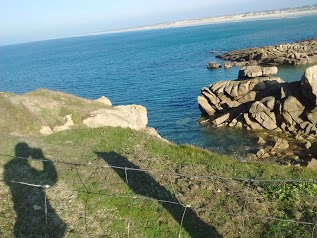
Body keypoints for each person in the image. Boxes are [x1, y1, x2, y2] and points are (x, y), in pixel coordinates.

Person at [4, 142, 66, 237]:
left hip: (21, 214)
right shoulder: (24, 170)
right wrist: (44, 159)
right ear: (27, 153)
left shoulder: (8, 168)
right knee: (57, 228)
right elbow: (50, 181)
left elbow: (7, 181)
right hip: (33, 216)